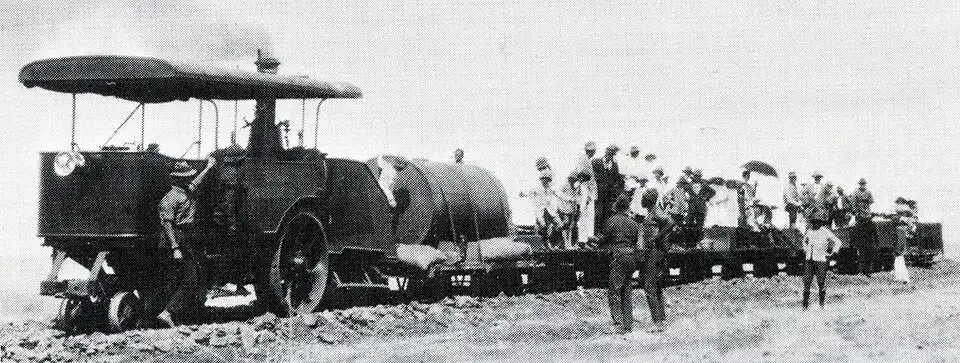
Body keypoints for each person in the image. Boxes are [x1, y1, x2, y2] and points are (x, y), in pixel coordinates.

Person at [147, 157, 217, 327]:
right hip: (176, 239)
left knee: (175, 280)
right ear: (178, 179)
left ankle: (156, 314)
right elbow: (167, 224)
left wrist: (208, 168)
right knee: (190, 280)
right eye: (186, 177)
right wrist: (175, 247)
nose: (189, 180)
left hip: (185, 238)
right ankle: (168, 313)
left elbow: (196, 182)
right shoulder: (170, 198)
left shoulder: (185, 191)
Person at [599, 195, 641, 334]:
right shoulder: (634, 223)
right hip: (631, 258)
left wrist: (596, 241)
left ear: (617, 207)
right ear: (627, 208)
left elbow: (605, 239)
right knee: (627, 291)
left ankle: (618, 324)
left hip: (619, 257)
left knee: (614, 291)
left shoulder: (612, 220)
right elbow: (636, 241)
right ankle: (628, 325)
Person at [640, 186, 671, 332]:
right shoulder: (652, 211)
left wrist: (656, 237)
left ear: (648, 200)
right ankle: (661, 320)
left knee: (649, 286)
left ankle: (657, 323)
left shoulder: (655, 211)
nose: (641, 200)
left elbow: (670, 222)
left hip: (655, 252)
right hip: (655, 252)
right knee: (656, 286)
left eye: (644, 198)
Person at [801, 222, 839, 309]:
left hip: (821, 260)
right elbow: (804, 241)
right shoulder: (809, 231)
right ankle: (805, 305)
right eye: (814, 221)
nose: (815, 224)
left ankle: (822, 305)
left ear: (821, 222)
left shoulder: (825, 231)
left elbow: (837, 242)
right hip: (809, 260)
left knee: (821, 282)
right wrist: (805, 249)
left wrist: (833, 252)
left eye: (817, 221)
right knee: (807, 281)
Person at [520, 170, 562, 249]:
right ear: (541, 179)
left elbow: (559, 194)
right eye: (544, 179)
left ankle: (553, 242)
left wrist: (570, 199)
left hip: (550, 210)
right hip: (540, 210)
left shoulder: (551, 188)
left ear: (549, 180)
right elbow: (528, 192)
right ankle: (544, 243)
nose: (545, 181)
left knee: (560, 225)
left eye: (547, 179)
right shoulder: (536, 188)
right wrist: (523, 193)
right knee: (543, 225)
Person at [592, 144, 624, 233]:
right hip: (597, 193)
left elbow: (616, 179)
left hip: (608, 194)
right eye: (609, 152)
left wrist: (615, 190)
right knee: (597, 213)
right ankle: (595, 233)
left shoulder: (614, 165)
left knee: (606, 214)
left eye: (612, 153)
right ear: (606, 151)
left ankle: (603, 234)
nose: (610, 154)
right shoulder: (596, 162)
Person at [850, 178, 877, 276]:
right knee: (861, 250)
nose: (862, 185)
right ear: (859, 184)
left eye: (864, 184)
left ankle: (868, 271)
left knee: (869, 250)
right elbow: (853, 203)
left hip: (867, 215)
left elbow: (871, 201)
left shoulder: (868, 192)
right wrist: (855, 212)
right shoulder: (855, 192)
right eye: (861, 184)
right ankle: (861, 270)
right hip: (859, 215)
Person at [890, 197, 917, 283]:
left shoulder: (904, 218)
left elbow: (911, 226)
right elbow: (912, 227)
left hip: (900, 233)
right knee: (899, 256)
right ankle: (900, 276)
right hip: (900, 233)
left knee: (899, 255)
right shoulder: (908, 217)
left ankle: (903, 277)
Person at [574, 172, 597, 246]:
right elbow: (578, 197)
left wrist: (587, 201)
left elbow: (590, 197)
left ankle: (588, 240)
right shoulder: (579, 185)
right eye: (580, 177)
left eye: (582, 177)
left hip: (587, 206)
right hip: (582, 206)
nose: (581, 179)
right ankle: (582, 240)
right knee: (582, 222)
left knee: (588, 222)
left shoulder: (587, 185)